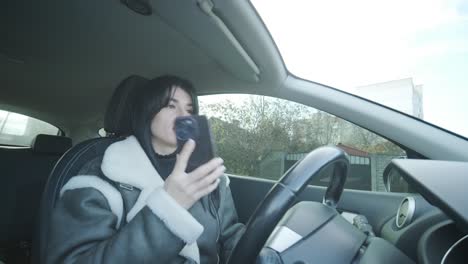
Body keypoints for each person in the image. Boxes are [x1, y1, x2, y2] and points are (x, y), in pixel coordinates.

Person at [46, 75, 245, 263]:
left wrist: (265, 254)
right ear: (147, 112)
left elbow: (232, 238)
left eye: (190, 109)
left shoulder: (209, 177)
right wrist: (169, 210)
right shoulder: (101, 177)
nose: (184, 116)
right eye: (170, 106)